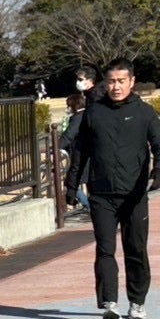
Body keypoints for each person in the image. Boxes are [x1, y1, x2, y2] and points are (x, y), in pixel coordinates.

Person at [65, 58, 160, 319]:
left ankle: (137, 301)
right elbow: (80, 152)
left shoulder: (144, 112)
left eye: (121, 81)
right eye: (111, 81)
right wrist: (71, 185)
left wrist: (158, 173)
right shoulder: (94, 113)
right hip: (101, 193)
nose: (116, 87)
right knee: (105, 249)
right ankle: (109, 303)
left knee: (136, 249)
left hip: (134, 194)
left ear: (132, 82)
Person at [60, 67, 101, 213]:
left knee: (74, 183)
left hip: (88, 155)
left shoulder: (94, 100)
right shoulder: (90, 100)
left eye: (80, 79)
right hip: (91, 155)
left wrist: (56, 147)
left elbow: (69, 135)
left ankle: (89, 207)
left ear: (90, 80)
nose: (78, 82)